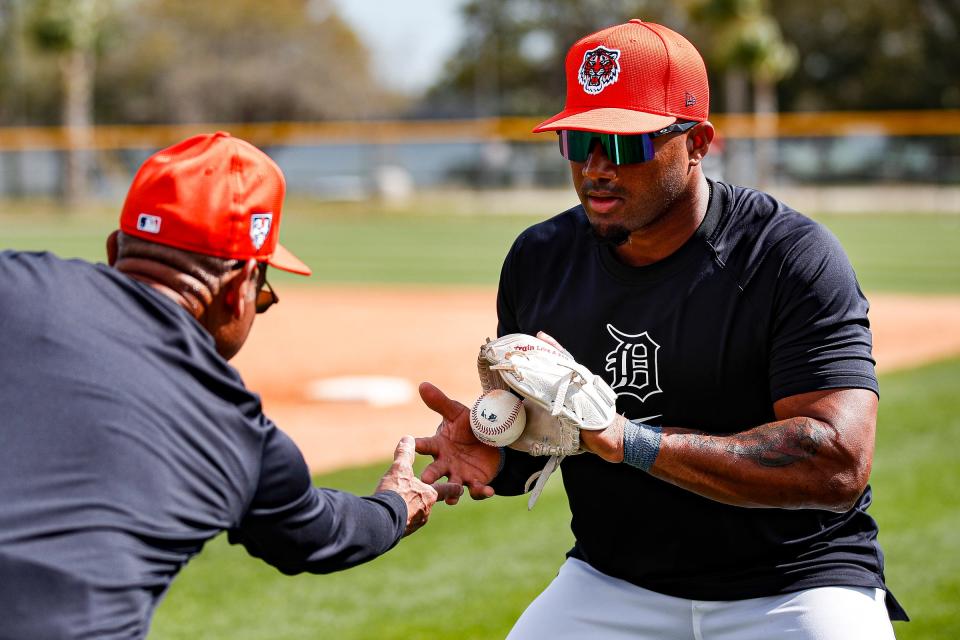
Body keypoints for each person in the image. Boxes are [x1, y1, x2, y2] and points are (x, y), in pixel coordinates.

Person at [415, 19, 907, 640]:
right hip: (614, 581)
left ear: (698, 142)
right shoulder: (539, 261)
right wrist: (497, 450)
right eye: (578, 140)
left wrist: (632, 441)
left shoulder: (789, 258)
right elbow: (546, 434)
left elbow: (836, 462)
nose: (596, 167)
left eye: (624, 146)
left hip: (796, 582)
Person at [0, 132, 459, 639]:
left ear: (115, 248)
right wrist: (395, 505)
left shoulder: (12, 279)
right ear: (238, 285)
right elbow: (319, 534)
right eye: (262, 292)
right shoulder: (232, 430)